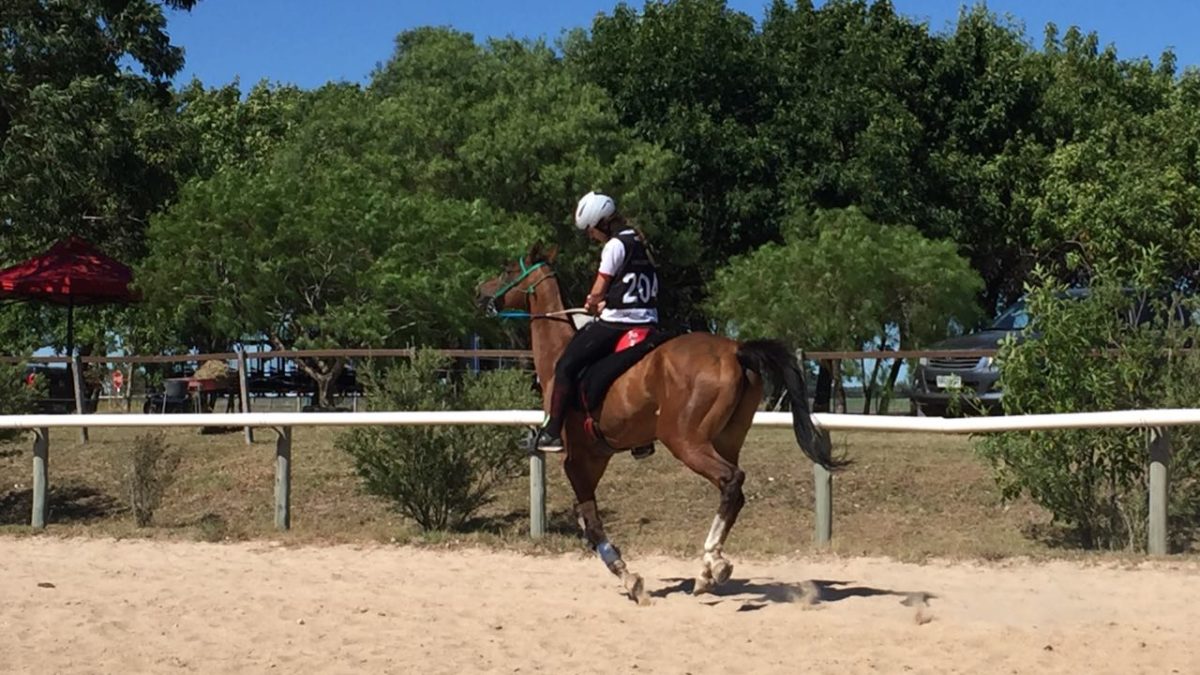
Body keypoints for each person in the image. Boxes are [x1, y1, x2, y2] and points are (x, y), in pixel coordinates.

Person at [532, 191, 660, 452]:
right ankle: (641, 440)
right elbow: (630, 286)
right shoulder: (641, 242)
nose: (591, 236)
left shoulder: (614, 245)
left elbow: (599, 288)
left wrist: (593, 302)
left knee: (566, 365)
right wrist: (608, 301)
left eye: (591, 230)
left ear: (601, 223)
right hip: (649, 319)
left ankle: (553, 431)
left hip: (621, 322)